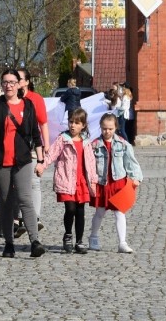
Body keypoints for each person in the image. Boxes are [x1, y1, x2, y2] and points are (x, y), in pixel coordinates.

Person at [0, 69, 45, 258]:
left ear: (19, 84)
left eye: (12, 82)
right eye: (5, 82)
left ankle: (35, 241)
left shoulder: (29, 105)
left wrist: (40, 160)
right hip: (0, 161)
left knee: (25, 198)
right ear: (2, 85)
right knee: (7, 202)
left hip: (23, 160)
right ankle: (9, 243)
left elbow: (35, 134)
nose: (8, 85)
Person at [35, 108, 98, 254]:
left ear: (83, 125)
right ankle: (68, 234)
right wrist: (42, 165)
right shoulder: (62, 139)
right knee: (70, 209)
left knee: (80, 211)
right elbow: (51, 155)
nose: (73, 125)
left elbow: (90, 161)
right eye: (71, 122)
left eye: (77, 123)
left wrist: (93, 180)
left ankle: (80, 241)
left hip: (81, 181)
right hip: (67, 180)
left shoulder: (86, 142)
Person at [88, 113, 143, 254]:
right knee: (99, 212)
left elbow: (131, 162)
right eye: (105, 128)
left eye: (110, 129)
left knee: (120, 212)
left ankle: (122, 243)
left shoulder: (123, 144)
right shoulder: (94, 145)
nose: (107, 131)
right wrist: (90, 181)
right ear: (100, 127)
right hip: (102, 183)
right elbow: (89, 164)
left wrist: (136, 177)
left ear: (115, 128)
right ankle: (93, 237)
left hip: (118, 182)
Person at [16, 67, 48, 237]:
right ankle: (20, 218)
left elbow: (42, 123)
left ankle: (34, 217)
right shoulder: (10, 99)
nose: (17, 82)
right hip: (14, 147)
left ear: (27, 81)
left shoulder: (35, 99)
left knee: (34, 182)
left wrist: (46, 145)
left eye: (20, 79)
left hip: (32, 146)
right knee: (19, 184)